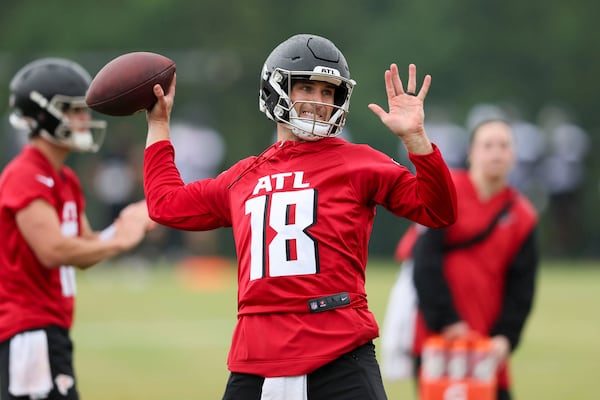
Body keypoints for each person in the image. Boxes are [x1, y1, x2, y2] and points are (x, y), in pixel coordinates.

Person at [143, 33, 458, 400]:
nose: (319, 102)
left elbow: (438, 210)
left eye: (328, 93)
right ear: (275, 89)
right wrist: (158, 126)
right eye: (306, 87)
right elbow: (165, 204)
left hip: (339, 350)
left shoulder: (359, 162)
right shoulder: (245, 176)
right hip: (255, 359)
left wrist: (417, 139)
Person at [0, 58, 154, 400]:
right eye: (75, 111)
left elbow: (84, 249)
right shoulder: (26, 174)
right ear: (44, 115)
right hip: (28, 331)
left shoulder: (64, 178)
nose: (85, 120)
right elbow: (53, 250)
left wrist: (127, 225)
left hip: (51, 329)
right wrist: (120, 244)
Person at [386, 118, 539, 400]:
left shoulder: (522, 215)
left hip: (488, 343)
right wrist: (447, 320)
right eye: (488, 145)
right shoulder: (448, 192)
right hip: (439, 337)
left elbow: (522, 286)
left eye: (503, 146)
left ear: (514, 154)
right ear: (472, 152)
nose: (496, 153)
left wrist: (506, 336)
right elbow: (425, 262)